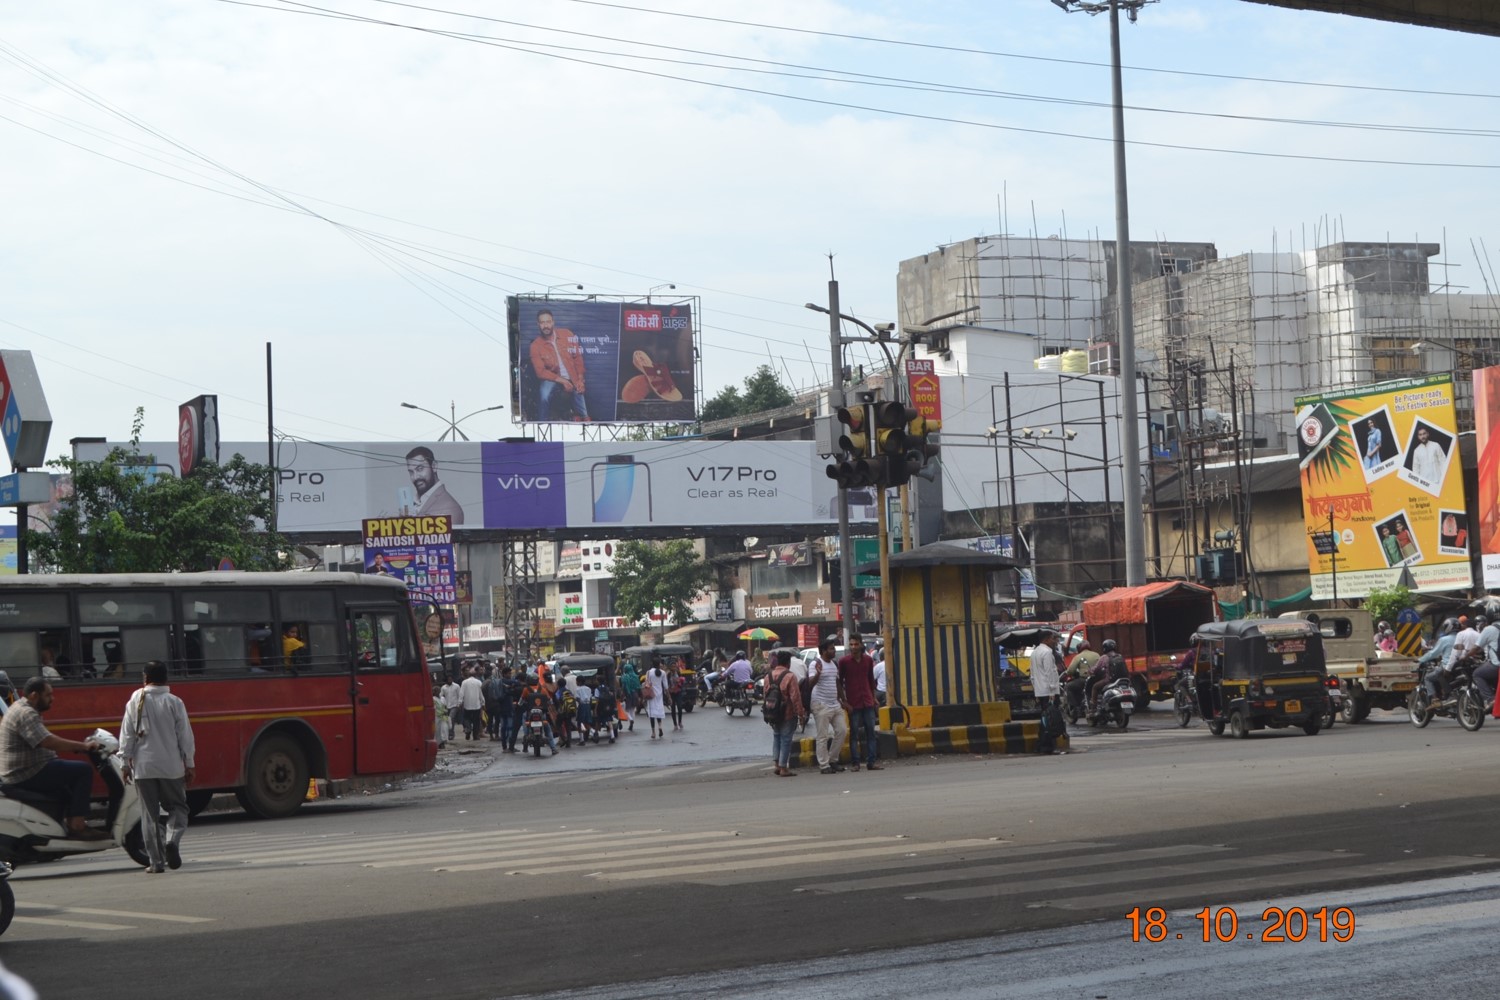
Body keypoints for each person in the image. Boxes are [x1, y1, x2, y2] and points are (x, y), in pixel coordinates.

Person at [0, 678, 108, 840]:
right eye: (48, 695)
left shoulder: (21, 708)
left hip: (27, 768)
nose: (52, 698)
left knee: (67, 780)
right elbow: (47, 741)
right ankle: (77, 825)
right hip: (25, 773)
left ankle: (64, 822)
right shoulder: (26, 713)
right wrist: (83, 747)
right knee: (82, 771)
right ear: (35, 695)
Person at [118, 661, 196, 873]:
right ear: (166, 678)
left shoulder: (135, 699)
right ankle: (172, 839)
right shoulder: (174, 702)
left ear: (145, 678)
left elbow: (127, 734)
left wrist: (125, 763)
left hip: (143, 767)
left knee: (149, 815)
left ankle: (156, 863)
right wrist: (189, 763)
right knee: (178, 808)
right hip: (171, 766)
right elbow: (185, 736)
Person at [528, 308, 590, 421]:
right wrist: (562, 380)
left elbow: (578, 358)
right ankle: (543, 421)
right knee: (544, 394)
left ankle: (585, 418)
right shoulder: (535, 346)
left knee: (579, 391)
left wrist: (580, 379)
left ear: (553, 322)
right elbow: (540, 372)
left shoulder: (567, 334)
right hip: (553, 378)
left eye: (548, 322)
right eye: (542, 323)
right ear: (538, 324)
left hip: (572, 375)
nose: (545, 325)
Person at [837, 635, 882, 772]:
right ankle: (855, 763)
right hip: (853, 703)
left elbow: (871, 681)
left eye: (856, 644)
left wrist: (874, 698)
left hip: (867, 701)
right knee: (854, 734)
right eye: (851, 645)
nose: (853, 647)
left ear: (861, 645)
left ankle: (871, 762)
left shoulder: (868, 660)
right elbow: (839, 681)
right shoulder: (844, 662)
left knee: (871, 732)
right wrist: (844, 701)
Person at [808, 637, 848, 775]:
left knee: (842, 731)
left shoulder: (834, 664)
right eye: (831, 649)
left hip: (835, 704)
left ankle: (833, 760)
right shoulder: (815, 664)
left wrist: (843, 700)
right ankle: (824, 765)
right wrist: (818, 674)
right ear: (824, 651)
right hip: (821, 705)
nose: (834, 651)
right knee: (822, 736)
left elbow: (837, 684)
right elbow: (810, 684)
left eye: (834, 648)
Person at [767, 650, 806, 777]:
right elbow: (795, 697)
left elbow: (765, 696)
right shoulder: (790, 676)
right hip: (787, 713)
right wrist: (800, 713)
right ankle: (784, 767)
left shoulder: (768, 676)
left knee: (776, 736)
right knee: (786, 739)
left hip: (772, 713)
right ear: (788, 663)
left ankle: (777, 765)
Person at [404, 446, 465, 523]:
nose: (415, 477)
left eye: (420, 469)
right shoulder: (412, 503)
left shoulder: (449, 508)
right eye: (411, 472)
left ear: (434, 466)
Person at [1030, 630, 1063, 754]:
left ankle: (1042, 745)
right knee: (1051, 721)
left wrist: (1036, 691)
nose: (1054, 642)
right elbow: (1050, 673)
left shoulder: (1034, 653)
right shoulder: (1047, 652)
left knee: (1045, 720)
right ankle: (1047, 747)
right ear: (1046, 639)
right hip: (1050, 692)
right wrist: (1052, 693)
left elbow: (1032, 675)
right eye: (1052, 639)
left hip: (1040, 691)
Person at [1420, 618, 1459, 704]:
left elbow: (1433, 653)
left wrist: (1420, 660)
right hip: (1459, 667)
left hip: (1447, 667)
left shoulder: (1444, 639)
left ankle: (1435, 699)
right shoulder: (1461, 637)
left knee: (1428, 678)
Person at [1088, 639, 1128, 717]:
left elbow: (1096, 669)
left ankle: (1093, 708)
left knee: (1094, 687)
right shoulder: (1119, 656)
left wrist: (1089, 671)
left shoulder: (1104, 657)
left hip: (1108, 680)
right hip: (1121, 681)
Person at [643, 658, 669, 740]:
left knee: (652, 714)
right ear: (659, 664)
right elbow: (666, 687)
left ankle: (653, 732)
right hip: (659, 695)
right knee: (659, 712)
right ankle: (660, 727)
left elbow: (646, 683)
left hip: (651, 695)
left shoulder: (649, 672)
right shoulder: (663, 673)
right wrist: (669, 697)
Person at [439, 675, 463, 742]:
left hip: (454, 705)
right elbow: (441, 695)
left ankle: (451, 734)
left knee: (451, 718)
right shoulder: (444, 687)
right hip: (447, 705)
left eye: (451, 679)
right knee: (448, 720)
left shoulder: (456, 686)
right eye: (448, 679)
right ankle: (449, 733)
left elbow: (460, 695)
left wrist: (459, 703)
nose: (450, 680)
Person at [620, 662, 641, 732]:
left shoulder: (624, 677)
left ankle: (631, 720)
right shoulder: (636, 677)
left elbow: (623, 687)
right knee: (632, 709)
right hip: (635, 694)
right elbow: (639, 687)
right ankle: (631, 724)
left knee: (626, 710)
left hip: (628, 694)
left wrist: (622, 695)